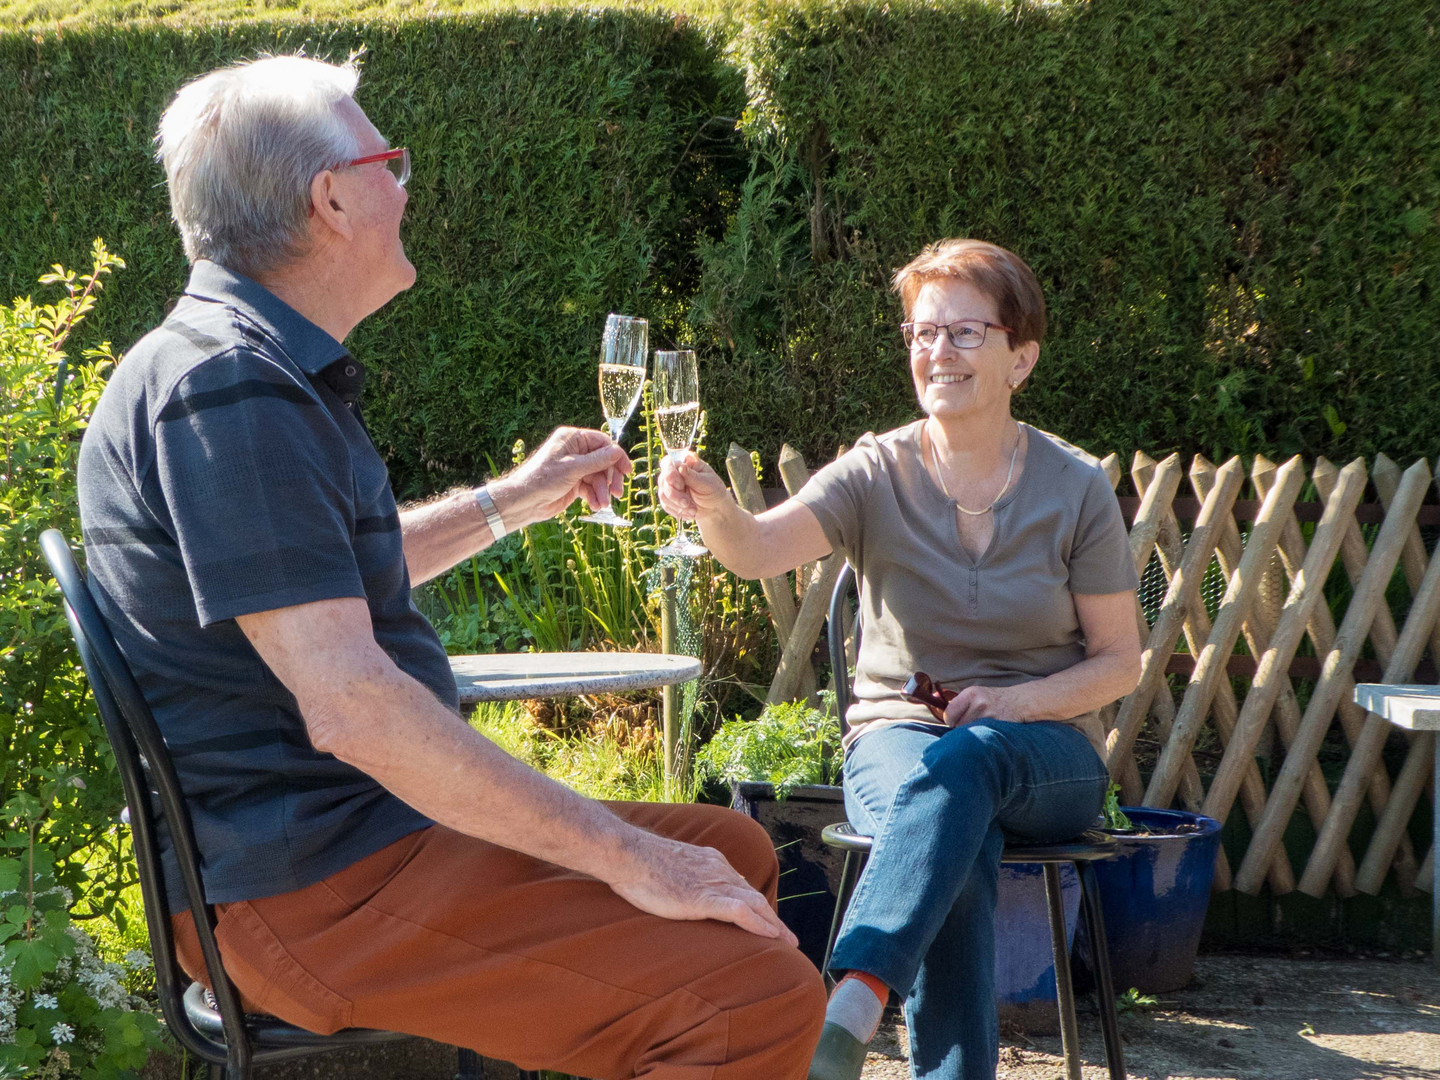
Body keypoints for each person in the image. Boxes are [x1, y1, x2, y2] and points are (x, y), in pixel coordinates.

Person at [76, 55, 825, 1078]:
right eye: (391, 161)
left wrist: (514, 499)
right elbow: (352, 706)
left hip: (344, 845)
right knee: (753, 1000)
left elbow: (325, 580)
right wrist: (622, 854)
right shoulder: (230, 392)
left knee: (732, 854)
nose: (408, 185)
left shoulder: (242, 367)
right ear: (329, 198)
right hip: (311, 887)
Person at [659, 238, 1142, 1080]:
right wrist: (713, 507)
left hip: (1045, 751)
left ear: (1019, 357)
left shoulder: (1074, 487)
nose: (936, 352)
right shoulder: (875, 471)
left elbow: (1117, 665)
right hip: (898, 738)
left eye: (963, 332)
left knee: (970, 766)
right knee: (954, 830)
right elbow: (757, 550)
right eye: (922, 334)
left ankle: (852, 995)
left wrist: (1012, 704)